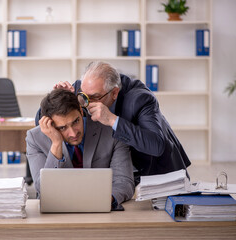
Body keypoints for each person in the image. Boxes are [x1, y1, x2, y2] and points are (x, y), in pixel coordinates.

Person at [38, 61, 191, 184]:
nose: (86, 103)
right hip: (117, 170)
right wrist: (60, 96)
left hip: (155, 170)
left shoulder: (140, 99)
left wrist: (112, 120)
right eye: (83, 96)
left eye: (94, 98)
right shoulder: (82, 91)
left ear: (114, 93)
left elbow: (156, 146)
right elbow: (41, 122)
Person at [26, 89, 134, 207]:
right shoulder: (35, 138)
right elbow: (42, 188)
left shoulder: (111, 131)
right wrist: (56, 144)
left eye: (76, 121)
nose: (72, 133)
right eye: (62, 128)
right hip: (57, 208)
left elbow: (125, 182)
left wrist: (104, 200)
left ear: (81, 111)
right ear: (51, 124)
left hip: (101, 207)